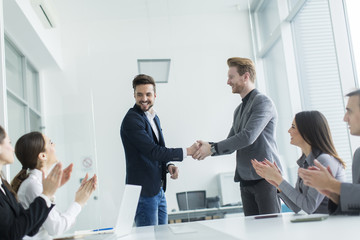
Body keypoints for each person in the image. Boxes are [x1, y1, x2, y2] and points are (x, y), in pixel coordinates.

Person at [193, 57, 283, 216]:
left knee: (271, 233)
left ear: (245, 76)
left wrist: (212, 148)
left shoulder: (262, 102)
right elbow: (231, 144)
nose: (228, 81)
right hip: (246, 182)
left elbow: (247, 137)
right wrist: (208, 147)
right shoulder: (239, 110)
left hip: (266, 180)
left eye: (231, 77)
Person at [120, 74, 198, 226]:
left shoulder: (154, 117)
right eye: (139, 94)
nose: (144, 99)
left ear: (154, 95)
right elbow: (153, 151)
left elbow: (158, 149)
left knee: (163, 235)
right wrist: (187, 151)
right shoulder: (132, 120)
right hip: (143, 193)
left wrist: (168, 165)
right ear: (134, 95)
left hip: (158, 190)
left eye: (148, 94)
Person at [252, 111, 346, 214]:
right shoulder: (304, 163)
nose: (289, 131)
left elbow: (309, 207)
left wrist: (279, 179)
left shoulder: (323, 161)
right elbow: (296, 207)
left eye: (293, 127)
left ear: (307, 131)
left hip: (334, 226)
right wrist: (277, 183)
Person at [11, 132, 97, 240]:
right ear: (43, 156)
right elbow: (56, 228)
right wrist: (79, 202)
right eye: (50, 143)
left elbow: (58, 223)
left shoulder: (35, 184)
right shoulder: (33, 185)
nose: (54, 145)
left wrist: (79, 200)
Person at [299, 89, 360, 215]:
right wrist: (333, 194)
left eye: (350, 111)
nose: (345, 118)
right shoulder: (358, 154)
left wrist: (333, 185)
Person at [0, 125, 63, 240]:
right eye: (9, 143)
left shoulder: (3, 185)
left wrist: (48, 195)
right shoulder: (31, 184)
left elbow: (30, 229)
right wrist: (46, 195)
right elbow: (12, 233)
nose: (12, 149)